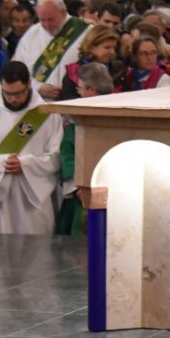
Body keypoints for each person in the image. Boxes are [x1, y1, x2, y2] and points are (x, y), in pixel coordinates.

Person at [0, 61, 64, 235]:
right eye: (7, 94)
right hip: (2, 199)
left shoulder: (48, 115)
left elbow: (56, 158)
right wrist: (0, 163)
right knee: (2, 256)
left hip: (34, 201)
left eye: (18, 93)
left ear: (29, 84)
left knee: (37, 256)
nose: (13, 99)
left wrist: (25, 164)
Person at [57, 63, 116, 236]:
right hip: (82, 194)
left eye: (81, 88)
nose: (79, 93)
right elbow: (68, 155)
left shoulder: (117, 116)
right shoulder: (78, 119)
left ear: (92, 89)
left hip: (110, 194)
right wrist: (78, 188)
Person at [11, 0, 89, 100]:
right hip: (36, 103)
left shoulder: (85, 32)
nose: (46, 24)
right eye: (42, 20)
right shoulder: (31, 34)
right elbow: (15, 70)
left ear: (63, 13)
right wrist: (37, 87)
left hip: (72, 102)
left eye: (50, 19)